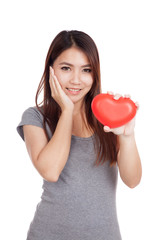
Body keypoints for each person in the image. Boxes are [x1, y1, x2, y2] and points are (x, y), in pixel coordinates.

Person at [17, 30, 142, 240]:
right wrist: (66, 111)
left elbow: (132, 180)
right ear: (50, 70)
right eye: (66, 68)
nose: (76, 80)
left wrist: (127, 135)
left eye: (86, 70)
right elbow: (50, 171)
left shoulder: (106, 117)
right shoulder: (36, 117)